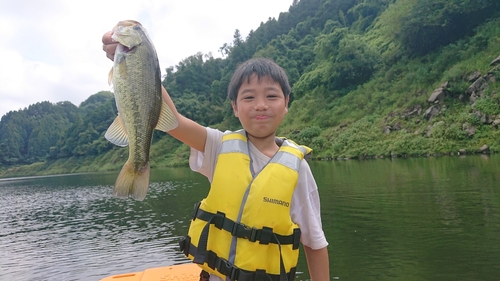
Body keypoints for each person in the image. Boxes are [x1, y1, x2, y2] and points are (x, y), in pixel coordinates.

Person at [102, 30, 330, 281]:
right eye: (249, 97)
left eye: (272, 96)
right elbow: (173, 122)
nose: (261, 105)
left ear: (286, 103)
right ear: (234, 107)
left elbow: (315, 242)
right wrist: (136, 65)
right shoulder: (219, 146)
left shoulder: (297, 168)